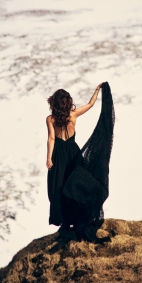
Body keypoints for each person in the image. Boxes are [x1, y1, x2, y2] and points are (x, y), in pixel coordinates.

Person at [46, 82, 114, 242]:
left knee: (58, 187)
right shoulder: (73, 115)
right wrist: (98, 90)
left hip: (59, 156)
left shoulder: (51, 119)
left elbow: (51, 139)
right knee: (76, 187)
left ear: (54, 103)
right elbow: (90, 104)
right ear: (68, 102)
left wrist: (49, 158)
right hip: (74, 153)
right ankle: (77, 219)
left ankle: (65, 221)